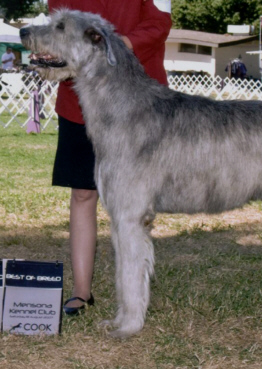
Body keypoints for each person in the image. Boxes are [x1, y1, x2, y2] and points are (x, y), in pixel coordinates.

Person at [48, 0, 172, 315]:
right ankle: (81, 291)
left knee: (138, 202)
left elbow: (159, 25)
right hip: (82, 105)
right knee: (82, 193)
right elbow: (61, 30)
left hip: (140, 101)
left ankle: (135, 293)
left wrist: (110, 47)